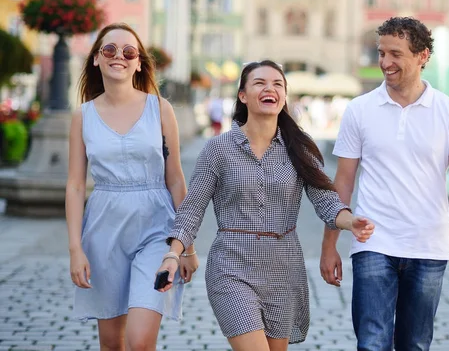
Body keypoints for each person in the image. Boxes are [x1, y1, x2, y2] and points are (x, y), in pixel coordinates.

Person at [155, 60, 375, 351]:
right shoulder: (218, 149)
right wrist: (174, 253)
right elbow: (192, 209)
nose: (270, 88)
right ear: (243, 95)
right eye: (260, 83)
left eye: (277, 84)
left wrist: (351, 221)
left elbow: (326, 200)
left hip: (283, 271)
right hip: (231, 267)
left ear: (283, 97)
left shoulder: (299, 147)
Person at [319, 17, 449, 351]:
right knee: (372, 342)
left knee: (415, 344)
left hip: (428, 245)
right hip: (372, 242)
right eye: (381, 53)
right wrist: (329, 245)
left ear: (422, 56)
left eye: (395, 54)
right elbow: (343, 182)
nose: (385, 63)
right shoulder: (359, 110)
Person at [65, 22, 199, 351]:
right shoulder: (83, 116)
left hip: (157, 230)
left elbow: (176, 179)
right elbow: (75, 186)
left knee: (140, 341)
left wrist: (187, 247)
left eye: (129, 52)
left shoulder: (160, 109)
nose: (119, 57)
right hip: (103, 232)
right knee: (112, 344)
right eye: (109, 50)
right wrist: (75, 249)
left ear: (138, 62)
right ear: (96, 59)